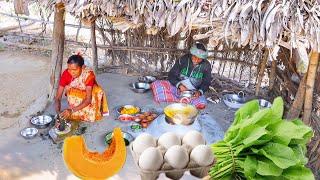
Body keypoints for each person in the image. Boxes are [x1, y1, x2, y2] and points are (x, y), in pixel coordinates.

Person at [151, 42, 212, 109]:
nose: (196, 60)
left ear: (203, 58)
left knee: (202, 103)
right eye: (195, 57)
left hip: (193, 92)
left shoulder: (206, 66)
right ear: (191, 54)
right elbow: (172, 75)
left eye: (199, 58)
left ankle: (179, 100)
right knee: (157, 84)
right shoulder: (183, 60)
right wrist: (179, 85)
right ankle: (183, 100)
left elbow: (206, 82)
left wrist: (199, 92)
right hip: (178, 88)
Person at [54, 54, 109, 122]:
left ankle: (92, 108)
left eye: (74, 70)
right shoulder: (66, 74)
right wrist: (58, 112)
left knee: (97, 91)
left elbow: (88, 100)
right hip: (76, 98)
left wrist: (72, 110)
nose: (71, 72)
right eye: (69, 69)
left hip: (89, 98)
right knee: (70, 90)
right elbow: (58, 98)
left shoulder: (88, 75)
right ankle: (75, 108)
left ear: (82, 67)